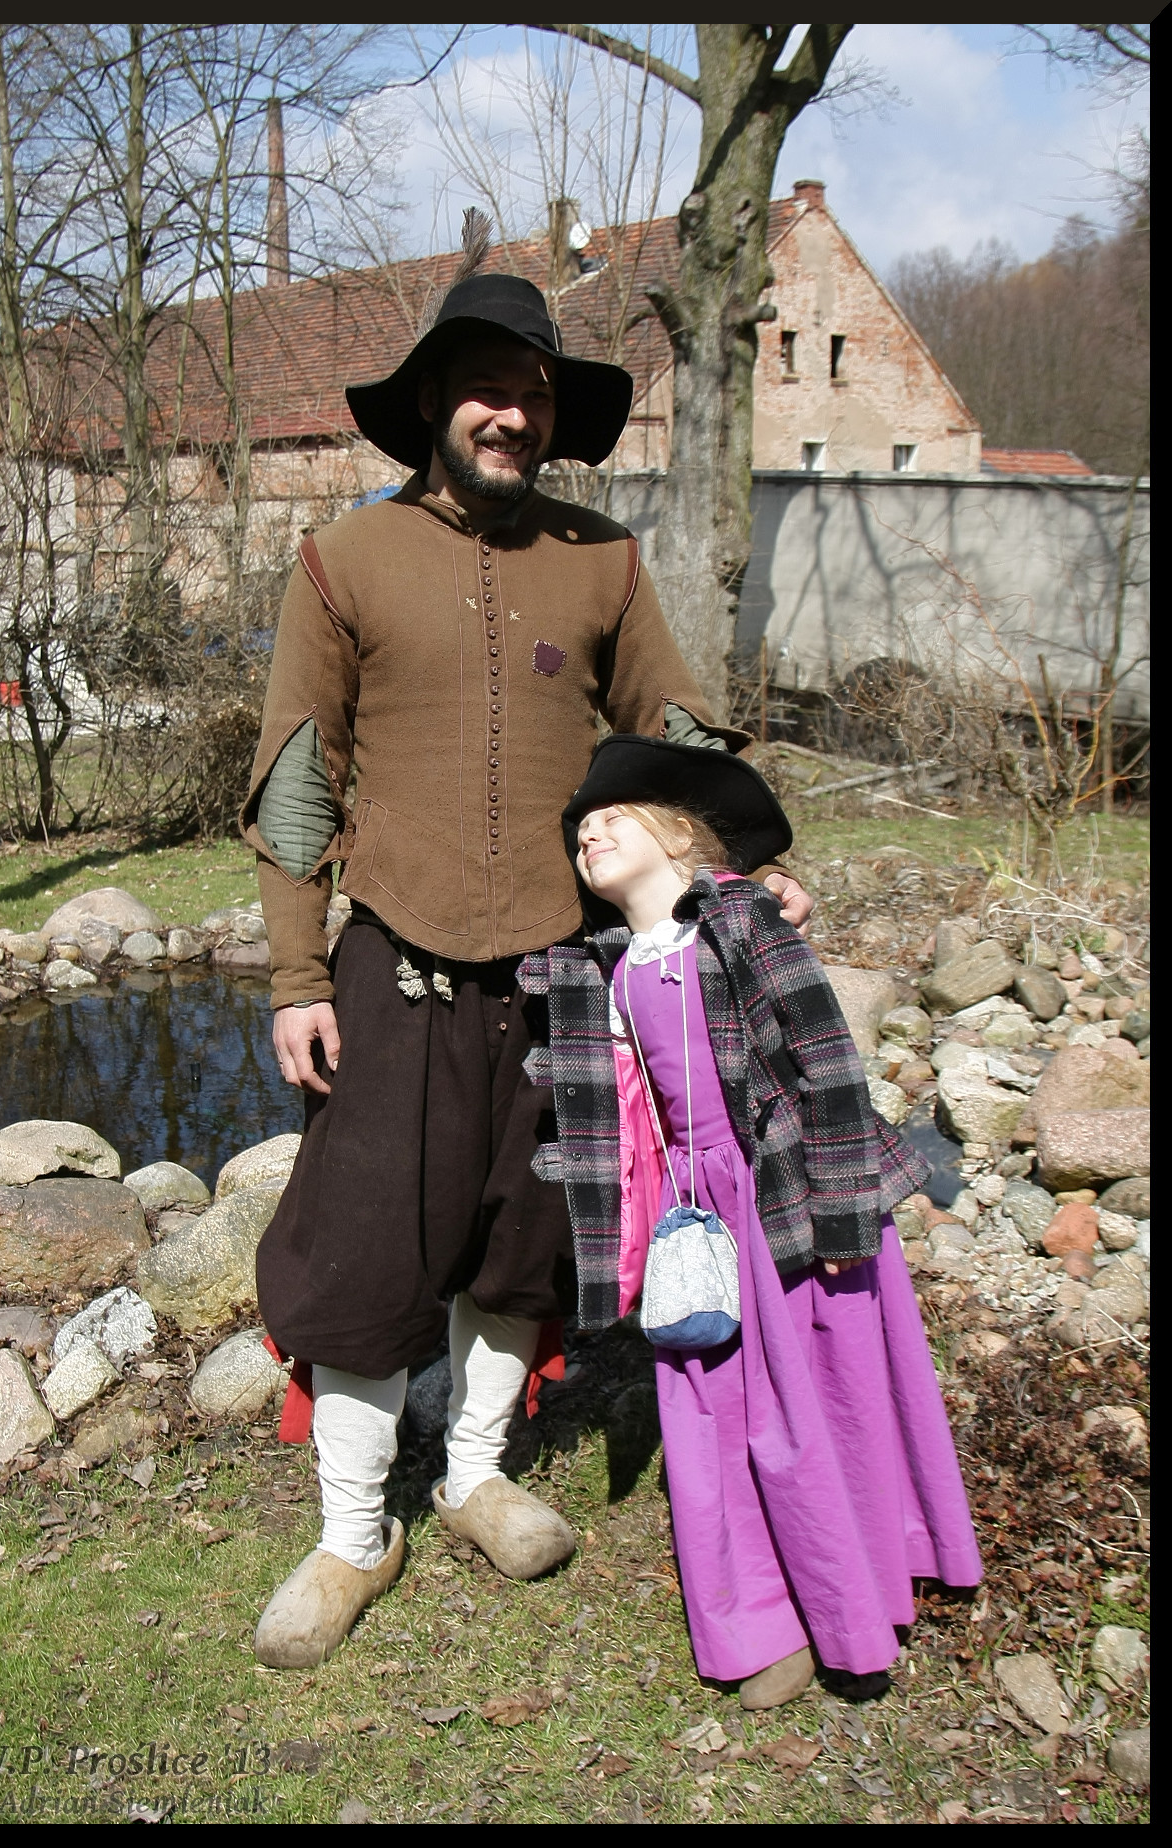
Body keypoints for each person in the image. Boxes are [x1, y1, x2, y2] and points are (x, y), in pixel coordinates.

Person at [241, 233, 816, 1671]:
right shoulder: (342, 560)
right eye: (487, 387)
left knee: (524, 1245)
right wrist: (298, 978)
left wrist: (740, 874)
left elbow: (672, 734)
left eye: (536, 392)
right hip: (396, 961)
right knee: (367, 1248)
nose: (512, 412)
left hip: (566, 971)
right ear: (433, 401)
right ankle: (352, 1534)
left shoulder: (602, 561)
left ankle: (477, 1477)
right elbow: (298, 778)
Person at [517, 734, 982, 1709]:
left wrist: (843, 1206)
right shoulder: (595, 972)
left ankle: (855, 1605)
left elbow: (825, 1058)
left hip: (789, 1194)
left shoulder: (737, 920)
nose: (588, 833)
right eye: (579, 830)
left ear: (679, 835)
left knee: (824, 1400)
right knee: (707, 1407)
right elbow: (616, 1122)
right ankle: (760, 1619)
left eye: (612, 816)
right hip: (695, 1216)